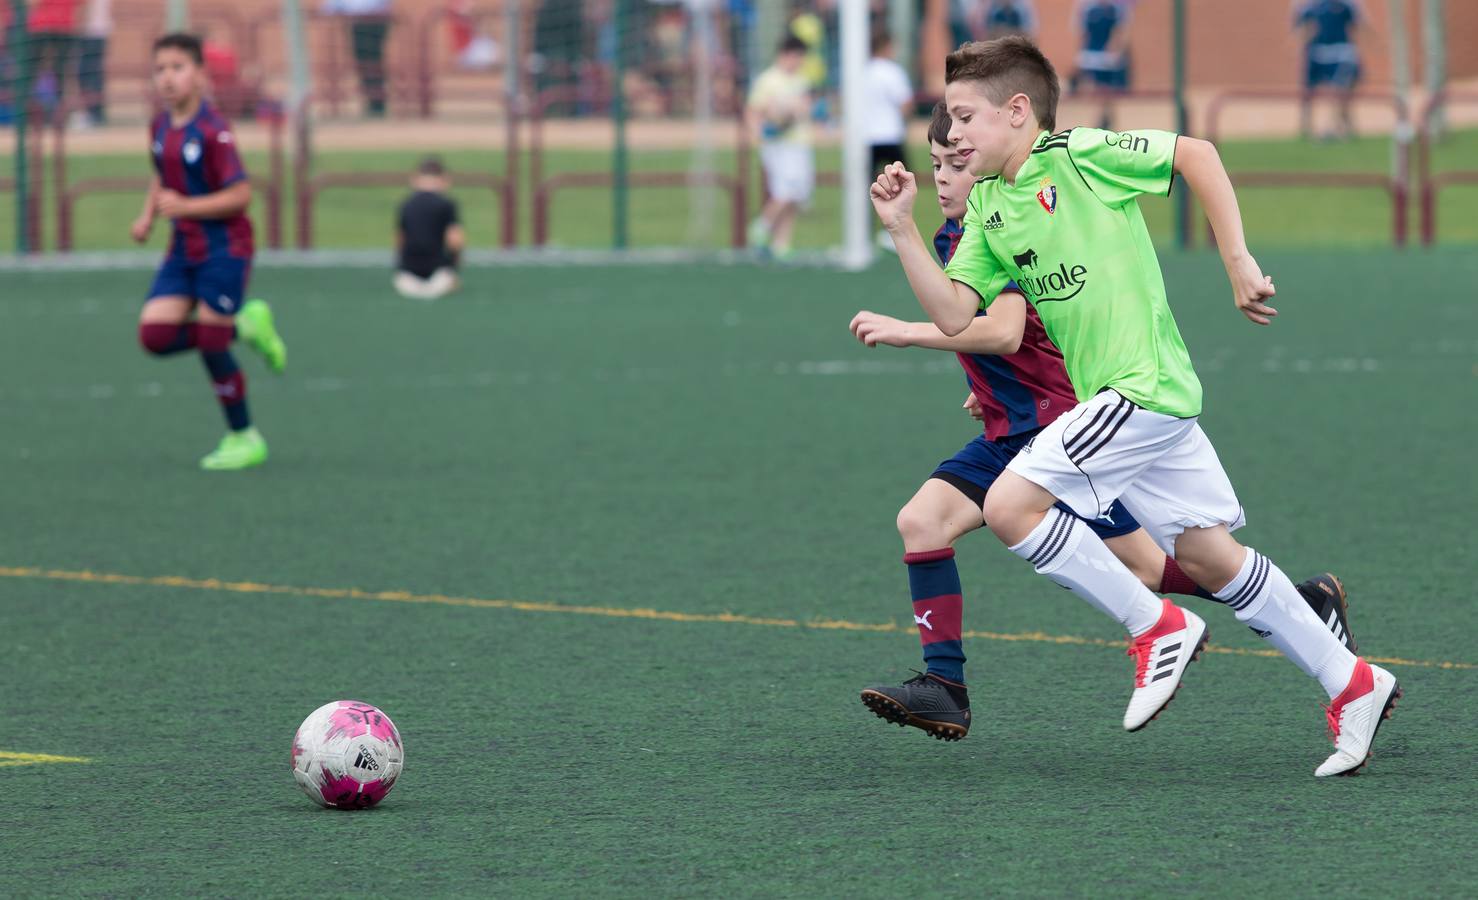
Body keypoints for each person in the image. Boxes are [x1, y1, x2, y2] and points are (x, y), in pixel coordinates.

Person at [868, 36, 1399, 776]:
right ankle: (1355, 681)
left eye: (963, 118)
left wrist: (1237, 259)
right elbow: (958, 315)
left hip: (1142, 389)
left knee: (1012, 505)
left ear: (1018, 112)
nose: (950, 136)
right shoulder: (989, 206)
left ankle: (1156, 629)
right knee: (1208, 557)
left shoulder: (1079, 157)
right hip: (1128, 407)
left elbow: (1199, 155)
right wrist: (899, 231)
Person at [131, 33, 286, 471]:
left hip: (224, 248)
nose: (167, 78)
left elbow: (240, 195)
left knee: (211, 344)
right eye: (160, 69)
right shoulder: (159, 126)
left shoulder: (214, 132)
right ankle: (246, 324)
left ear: (199, 75)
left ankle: (244, 436)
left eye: (178, 68)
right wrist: (147, 216)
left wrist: (186, 207)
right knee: (155, 337)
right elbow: (163, 174)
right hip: (183, 249)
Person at [746, 35, 814, 260]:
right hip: (778, 144)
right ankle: (761, 227)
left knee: (796, 195)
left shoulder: (800, 80)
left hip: (799, 142)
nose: (799, 62)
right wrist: (759, 134)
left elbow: (804, 109)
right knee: (784, 191)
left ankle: (781, 244)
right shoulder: (769, 80)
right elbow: (755, 110)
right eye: (797, 57)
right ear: (786, 54)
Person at [394, 156, 465, 301]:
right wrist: (455, 265)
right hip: (438, 276)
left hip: (407, 278)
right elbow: (455, 239)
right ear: (443, 179)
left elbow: (400, 239)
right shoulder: (446, 204)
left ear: (416, 178)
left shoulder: (406, 204)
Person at [1295, 0, 1363, 141]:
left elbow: (1358, 26)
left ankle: (1339, 126)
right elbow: (1304, 28)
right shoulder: (1309, 6)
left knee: (1341, 91)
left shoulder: (1346, 5)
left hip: (1340, 53)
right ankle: (1307, 127)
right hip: (1317, 53)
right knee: (1308, 91)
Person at [324, 0, 392, 118]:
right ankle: (373, 101)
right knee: (365, 63)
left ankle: (376, 102)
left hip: (373, 21)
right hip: (360, 22)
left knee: (371, 63)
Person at [1072, 0, 1131, 129]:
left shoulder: (1115, 10)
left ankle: (1105, 117)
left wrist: (1115, 48)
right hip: (1093, 57)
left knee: (1107, 89)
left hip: (1108, 58)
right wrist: (1081, 54)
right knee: (1094, 88)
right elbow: (1083, 34)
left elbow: (1119, 32)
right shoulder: (1088, 9)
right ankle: (1099, 118)